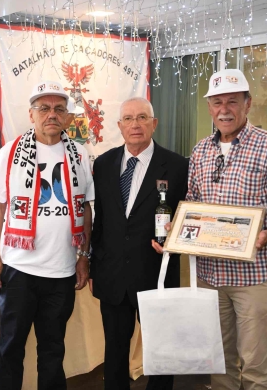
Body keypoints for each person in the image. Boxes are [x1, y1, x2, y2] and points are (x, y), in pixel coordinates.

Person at [156, 69, 267, 390]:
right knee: (219, 361)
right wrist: (178, 227)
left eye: (232, 101)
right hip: (209, 276)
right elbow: (194, 202)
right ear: (209, 107)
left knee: (255, 365)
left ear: (247, 103)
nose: (224, 110)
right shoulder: (201, 150)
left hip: (251, 278)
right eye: (217, 102)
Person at [0, 80, 94, 390]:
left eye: (59, 109)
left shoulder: (79, 154)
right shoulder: (10, 152)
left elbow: (86, 208)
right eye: (44, 108)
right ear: (31, 114)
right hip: (18, 271)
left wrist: (83, 257)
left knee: (52, 350)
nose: (52, 115)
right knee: (10, 348)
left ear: (68, 117)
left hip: (61, 272)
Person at [90, 97, 189, 390]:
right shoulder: (104, 164)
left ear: (154, 124)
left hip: (156, 274)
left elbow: (188, 215)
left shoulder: (178, 166)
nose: (135, 124)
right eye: (129, 119)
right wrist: (95, 268)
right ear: (120, 126)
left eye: (143, 117)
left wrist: (176, 234)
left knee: (162, 352)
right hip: (112, 276)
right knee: (115, 351)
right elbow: (100, 221)